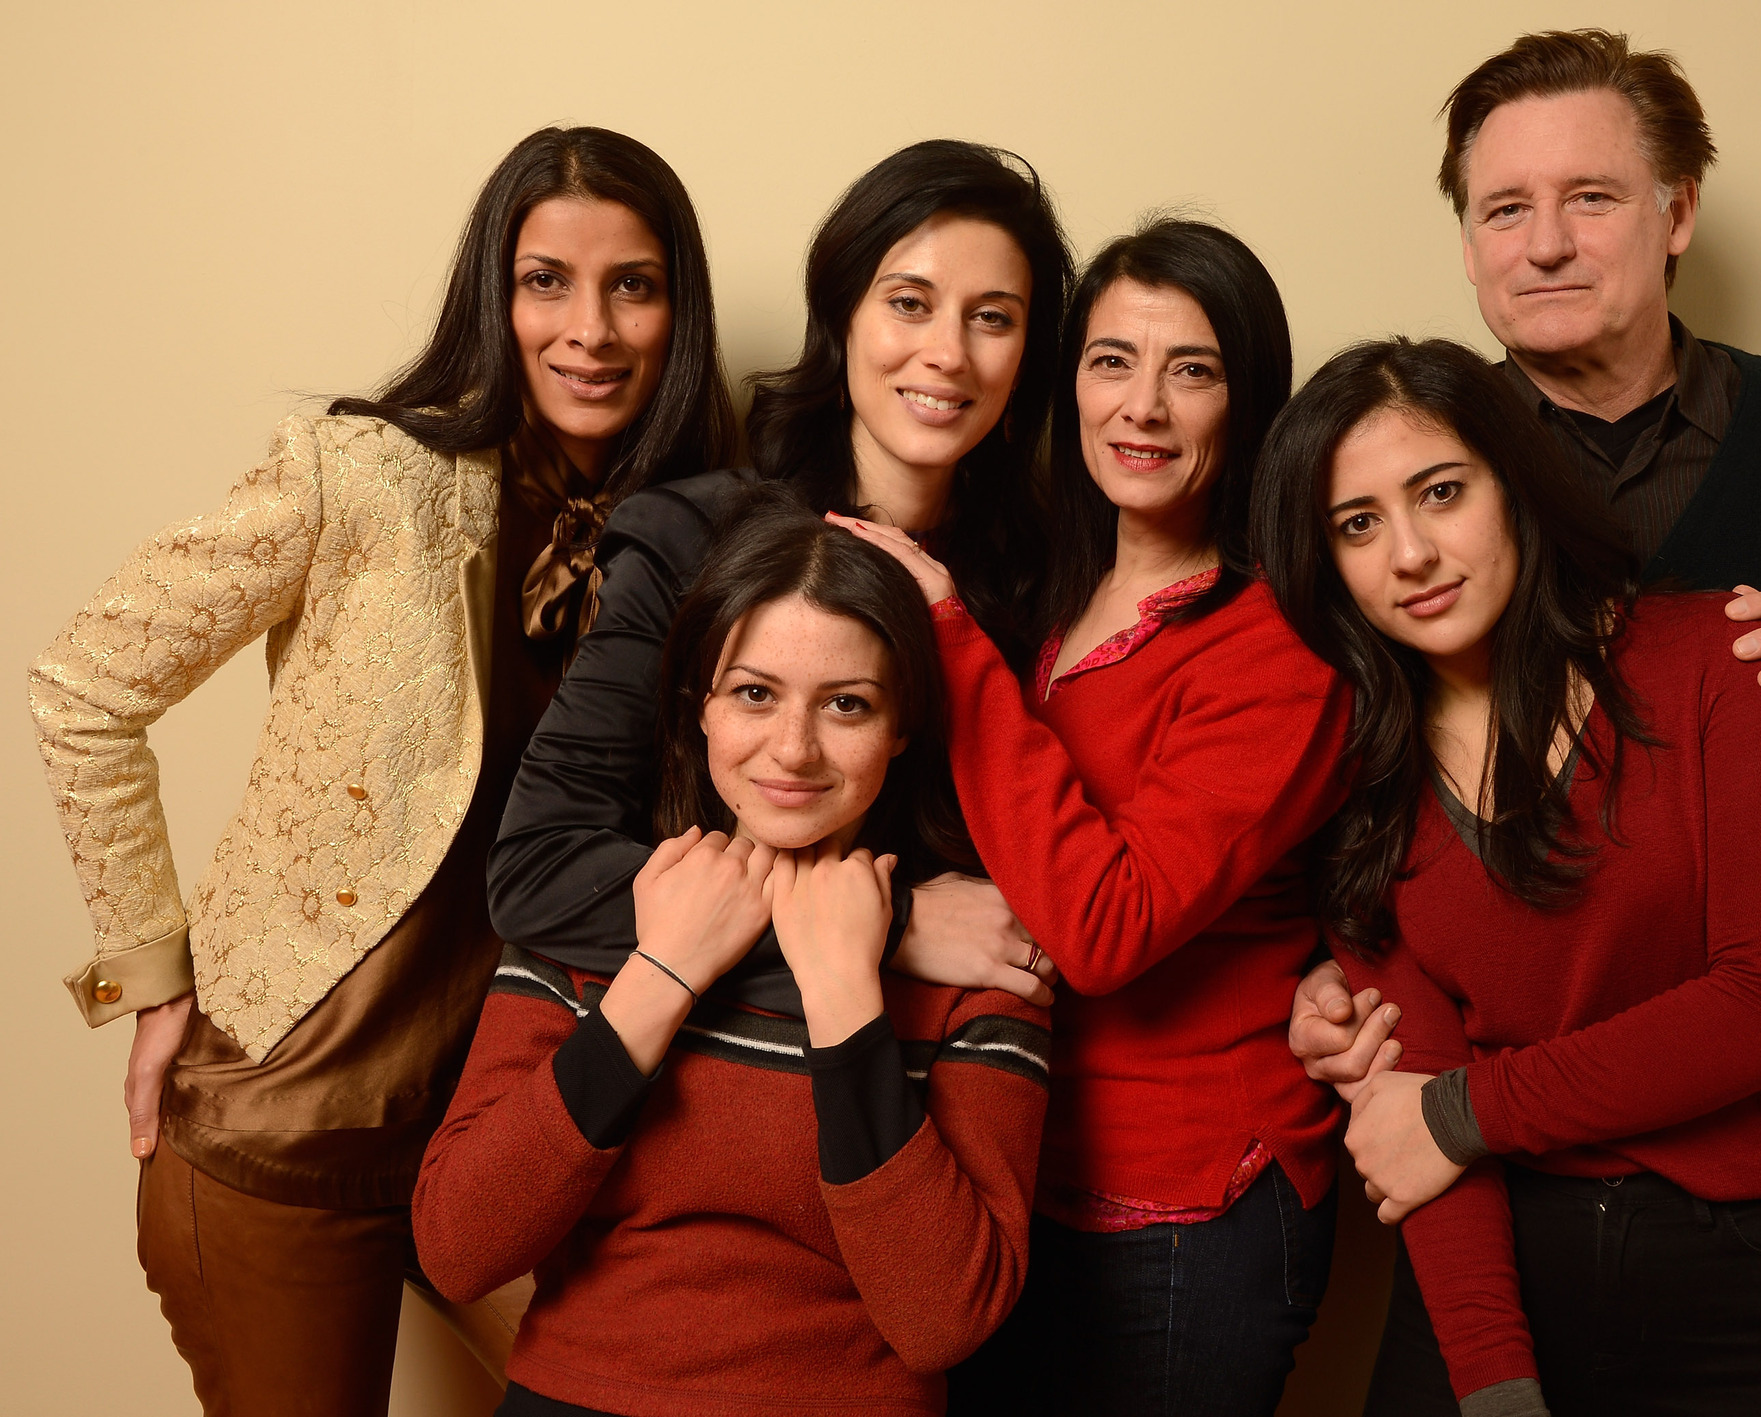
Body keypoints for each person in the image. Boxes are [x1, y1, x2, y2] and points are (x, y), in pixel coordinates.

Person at [26, 126, 738, 1414]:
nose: (590, 329)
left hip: (522, 1133)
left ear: (676, 310)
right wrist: (148, 969)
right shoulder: (362, 474)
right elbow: (81, 688)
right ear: (493, 294)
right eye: (545, 282)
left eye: (632, 284)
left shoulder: (707, 531)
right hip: (287, 1128)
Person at [1294, 27, 1761, 1150]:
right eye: (1502, 209)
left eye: (1589, 197)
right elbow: (1340, 773)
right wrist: (1323, 974)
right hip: (1482, 1116)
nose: (1543, 245)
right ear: (1465, 243)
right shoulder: (1403, 478)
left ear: (1675, 213)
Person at [1251, 336, 1761, 1417]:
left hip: (1756, 1291)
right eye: (1355, 525)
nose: (1408, 552)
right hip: (1494, 1281)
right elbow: (1414, 1139)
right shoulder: (1363, 783)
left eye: (1439, 492)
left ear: (1515, 485)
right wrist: (1496, 1387)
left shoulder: (1736, 662)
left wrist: (1467, 1107)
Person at [843, 219, 1351, 1417]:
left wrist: (949, 639)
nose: (1144, 408)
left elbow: (1106, 926)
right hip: (1014, 1170)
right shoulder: (1052, 591)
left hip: (1184, 1207)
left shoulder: (1277, 643)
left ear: (1249, 401)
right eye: (1111, 360)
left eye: (1193, 369)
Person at [413, 491, 1051, 1417]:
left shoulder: (978, 957)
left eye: (846, 704)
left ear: (901, 726)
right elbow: (459, 1245)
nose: (792, 749)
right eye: (754, 694)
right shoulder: (601, 924)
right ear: (699, 708)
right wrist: (661, 976)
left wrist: (844, 994)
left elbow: (943, 1317)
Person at [485, 138, 1073, 1003]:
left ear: (1027, 360)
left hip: (931, 1068)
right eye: (910, 303)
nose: (948, 352)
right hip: (688, 1066)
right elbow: (542, 868)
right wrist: (894, 927)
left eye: (993, 317)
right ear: (842, 321)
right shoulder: (689, 537)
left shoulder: (1046, 587)